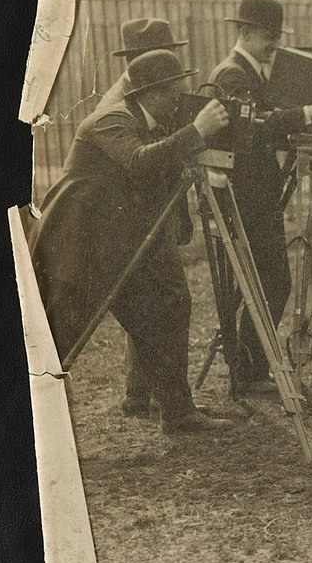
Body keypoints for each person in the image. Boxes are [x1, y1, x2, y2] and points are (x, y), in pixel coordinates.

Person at [29, 50, 234, 433]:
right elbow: (141, 162)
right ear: (152, 92)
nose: (181, 100)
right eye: (176, 92)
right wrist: (195, 132)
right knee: (60, 338)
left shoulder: (154, 122)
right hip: (78, 249)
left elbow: (161, 174)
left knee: (162, 313)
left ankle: (178, 414)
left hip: (119, 248)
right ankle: (27, 418)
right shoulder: (112, 121)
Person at [207, 0, 312, 395]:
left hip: (256, 194)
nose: (274, 45)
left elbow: (266, 126)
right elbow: (255, 128)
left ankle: (250, 366)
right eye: (268, 37)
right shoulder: (232, 75)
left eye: (277, 37)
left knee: (266, 280)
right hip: (244, 196)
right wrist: (307, 113)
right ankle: (249, 371)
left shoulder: (252, 75)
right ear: (245, 33)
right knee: (273, 280)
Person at [102, 18, 195, 417]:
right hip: (136, 219)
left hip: (157, 213)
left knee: (154, 303)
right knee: (164, 301)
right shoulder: (120, 107)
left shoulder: (155, 100)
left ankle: (142, 393)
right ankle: (158, 398)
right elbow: (142, 163)